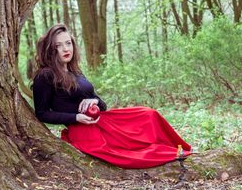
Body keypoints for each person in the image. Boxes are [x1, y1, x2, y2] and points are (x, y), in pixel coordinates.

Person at [31, 24, 191, 169]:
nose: (66, 49)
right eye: (58, 46)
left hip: (102, 118)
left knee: (149, 115)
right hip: (83, 129)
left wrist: (94, 100)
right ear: (50, 50)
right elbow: (42, 113)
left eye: (68, 43)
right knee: (123, 152)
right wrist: (76, 117)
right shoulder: (45, 76)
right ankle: (170, 154)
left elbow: (102, 104)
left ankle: (177, 147)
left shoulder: (75, 72)